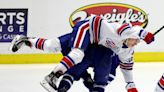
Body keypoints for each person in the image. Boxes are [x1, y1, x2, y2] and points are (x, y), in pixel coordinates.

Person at [10, 15, 154, 92]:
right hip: (87, 28)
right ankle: (51, 77)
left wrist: (130, 85)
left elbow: (126, 67)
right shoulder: (121, 30)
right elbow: (131, 29)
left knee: (50, 46)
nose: (136, 43)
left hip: (91, 42)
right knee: (77, 54)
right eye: (136, 40)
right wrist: (144, 33)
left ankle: (24, 39)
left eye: (138, 42)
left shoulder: (127, 49)